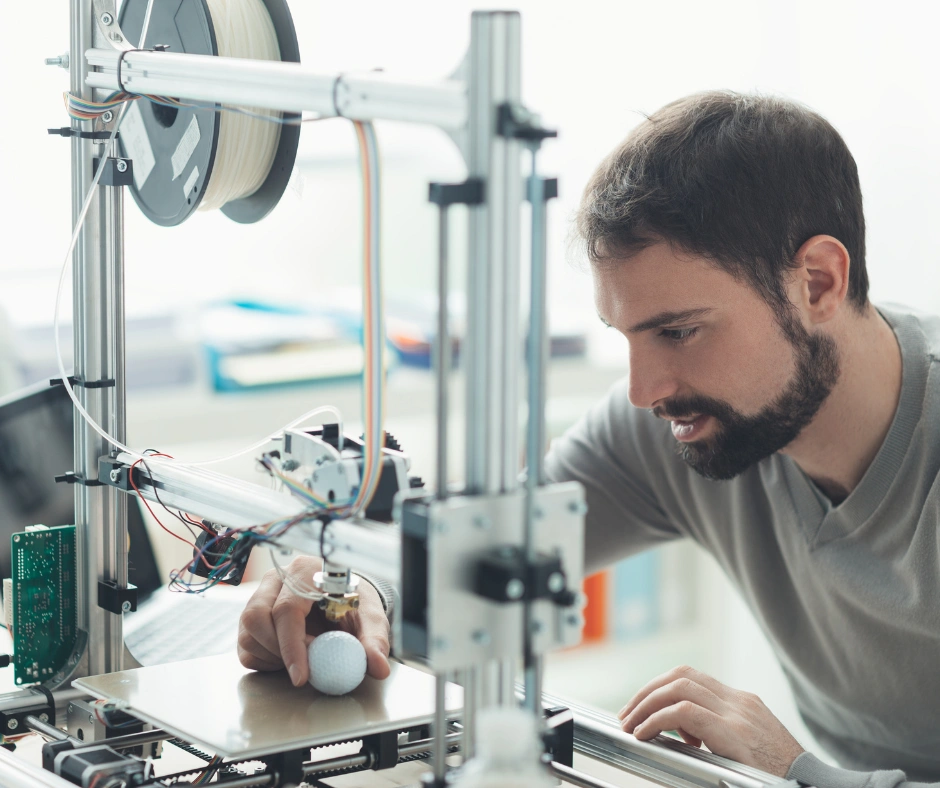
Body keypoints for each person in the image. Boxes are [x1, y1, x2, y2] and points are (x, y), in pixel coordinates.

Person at [238, 91, 940, 787]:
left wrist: (800, 773)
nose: (645, 391)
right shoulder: (676, 424)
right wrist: (354, 595)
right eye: (627, 337)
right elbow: (492, 545)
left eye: (678, 332)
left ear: (818, 281)